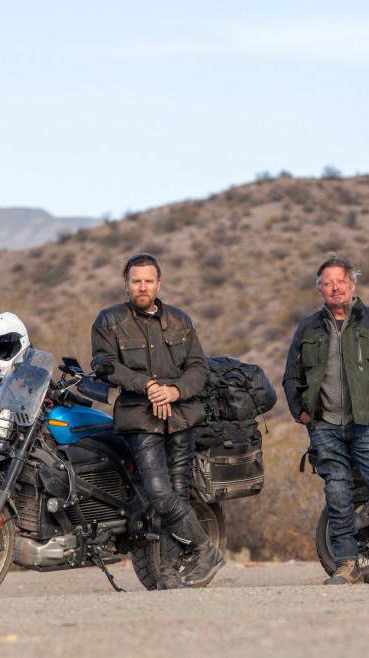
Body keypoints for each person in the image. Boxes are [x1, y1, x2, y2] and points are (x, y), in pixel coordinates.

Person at [91, 252, 224, 589]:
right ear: (126, 284)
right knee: (158, 491)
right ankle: (205, 549)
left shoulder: (180, 320)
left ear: (159, 283)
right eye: (136, 281)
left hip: (181, 417)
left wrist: (174, 392)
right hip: (140, 419)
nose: (142, 286)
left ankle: (168, 572)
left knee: (178, 492)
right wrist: (149, 387)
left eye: (149, 280)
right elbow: (104, 365)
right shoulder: (109, 320)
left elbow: (199, 368)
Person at [283, 253, 369, 584]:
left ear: (352, 284)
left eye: (340, 281)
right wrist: (301, 412)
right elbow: (291, 376)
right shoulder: (307, 327)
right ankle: (346, 564)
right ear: (320, 290)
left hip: (367, 423)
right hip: (324, 424)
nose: (335, 288)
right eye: (328, 283)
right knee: (338, 493)